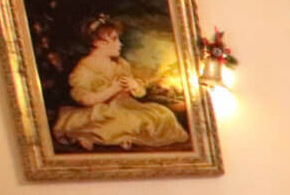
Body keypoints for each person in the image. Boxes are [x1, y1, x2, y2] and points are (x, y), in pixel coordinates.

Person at [50, 16, 187, 150]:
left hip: (126, 106)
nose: (120, 44)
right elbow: (85, 99)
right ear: (99, 43)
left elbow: (139, 93)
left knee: (163, 113)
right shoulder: (86, 67)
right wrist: (112, 89)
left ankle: (120, 137)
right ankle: (92, 136)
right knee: (126, 120)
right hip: (99, 109)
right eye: (115, 39)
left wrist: (134, 85)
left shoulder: (121, 64)